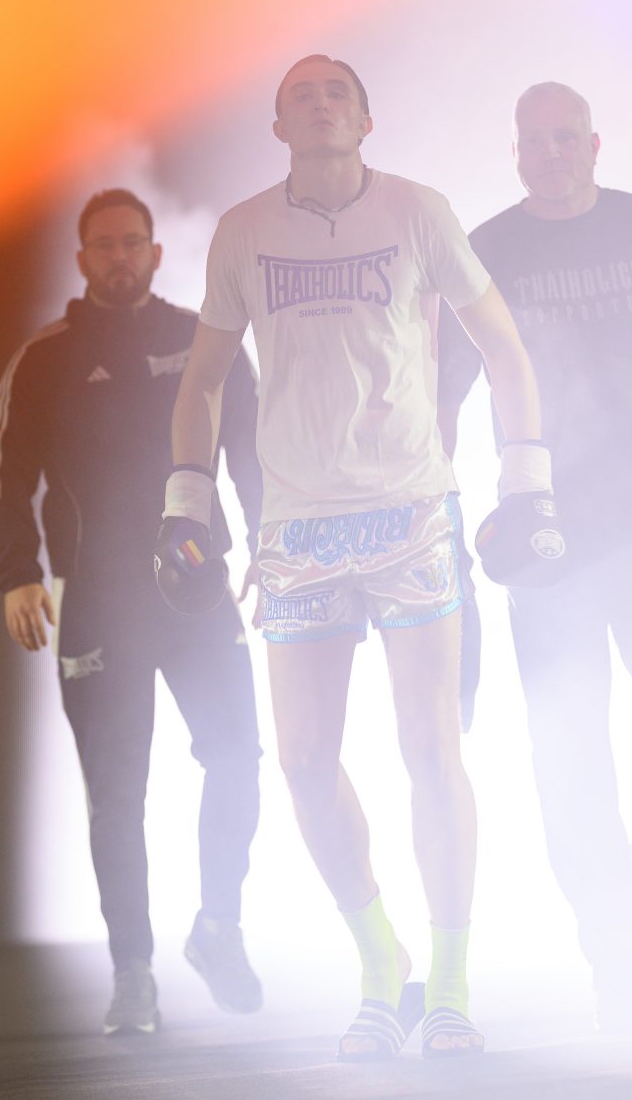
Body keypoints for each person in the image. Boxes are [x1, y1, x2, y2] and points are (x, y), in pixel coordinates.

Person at [157, 55, 551, 1060]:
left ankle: (450, 983)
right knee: (298, 760)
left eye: (337, 90)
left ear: (365, 117)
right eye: (302, 92)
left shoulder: (417, 211)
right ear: (277, 123)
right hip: (298, 528)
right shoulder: (244, 233)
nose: (321, 101)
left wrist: (525, 482)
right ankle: (382, 965)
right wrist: (184, 504)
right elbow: (202, 380)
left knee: (430, 751)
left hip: (408, 509)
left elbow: (503, 346)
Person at [437, 82, 632, 1032]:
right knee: (568, 753)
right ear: (514, 154)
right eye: (531, 141)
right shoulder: (489, 250)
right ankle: (611, 950)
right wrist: (440, 507)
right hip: (545, 550)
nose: (548, 152)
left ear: (595, 144)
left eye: (564, 137)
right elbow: (438, 391)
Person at [0, 188, 264, 1034]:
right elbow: (0, 475)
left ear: (154, 251)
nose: (120, 257)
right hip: (100, 601)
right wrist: (15, 576)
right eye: (103, 246)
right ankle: (132, 973)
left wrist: (272, 545)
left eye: (132, 242)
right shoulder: (45, 357)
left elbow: (251, 445)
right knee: (116, 795)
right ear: (81, 260)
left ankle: (218, 927)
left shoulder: (198, 339)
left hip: (196, 586)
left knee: (239, 759)